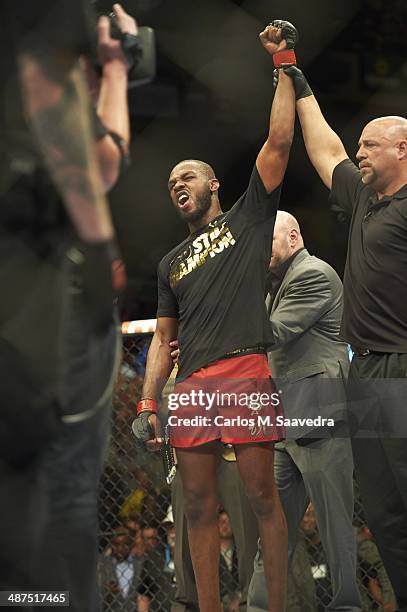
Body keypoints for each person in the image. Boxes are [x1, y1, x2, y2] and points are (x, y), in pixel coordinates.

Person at [132, 20, 298, 612]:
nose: (178, 185)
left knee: (260, 498)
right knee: (197, 507)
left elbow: (278, 143)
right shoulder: (170, 262)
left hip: (247, 371)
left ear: (214, 184)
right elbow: (161, 340)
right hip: (194, 384)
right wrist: (150, 402)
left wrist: (284, 63)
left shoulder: (248, 220)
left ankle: (275, 606)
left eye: (188, 176)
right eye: (171, 181)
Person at [0, 2, 136, 609]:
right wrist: (101, 241)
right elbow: (101, 164)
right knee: (62, 489)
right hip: (36, 298)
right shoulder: (41, 51)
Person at [278, 47, 407, 611]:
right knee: (381, 504)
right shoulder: (363, 198)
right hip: (369, 369)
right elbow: (324, 146)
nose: (358, 153)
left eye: (370, 146)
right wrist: (295, 75)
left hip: (405, 363)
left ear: (404, 149)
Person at [247, 211, 360, 611]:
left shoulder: (313, 274)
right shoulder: (274, 286)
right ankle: (260, 606)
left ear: (293, 236)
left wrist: (213, 334)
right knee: (272, 528)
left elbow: (271, 333)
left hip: (317, 412)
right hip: (283, 421)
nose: (261, 253)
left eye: (268, 242)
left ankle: (346, 604)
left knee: (334, 526)